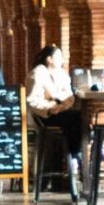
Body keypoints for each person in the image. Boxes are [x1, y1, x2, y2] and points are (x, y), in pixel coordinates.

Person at [27, 43, 88, 179]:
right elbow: (33, 101)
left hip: (61, 110)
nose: (62, 60)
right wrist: (52, 106)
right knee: (76, 119)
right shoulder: (37, 74)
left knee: (80, 119)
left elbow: (69, 96)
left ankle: (74, 155)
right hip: (45, 115)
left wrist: (60, 102)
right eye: (59, 56)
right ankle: (74, 156)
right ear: (49, 59)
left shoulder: (62, 74)